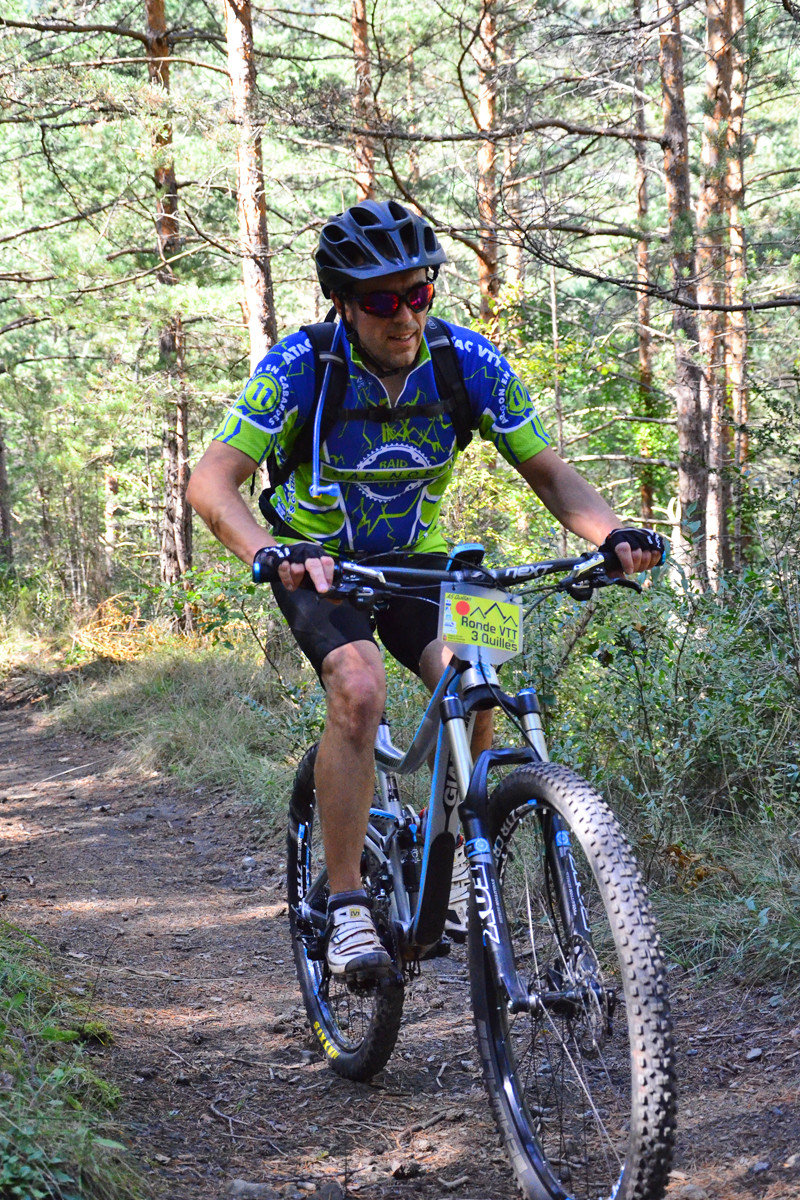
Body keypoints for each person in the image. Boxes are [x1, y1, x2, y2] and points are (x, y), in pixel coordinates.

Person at [186, 199, 664, 984]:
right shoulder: (300, 366)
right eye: (380, 300)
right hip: (322, 565)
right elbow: (211, 482)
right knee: (359, 687)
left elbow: (547, 469)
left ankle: (460, 858)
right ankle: (345, 908)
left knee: (483, 680)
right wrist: (272, 553)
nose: (403, 315)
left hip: (424, 562)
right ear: (341, 302)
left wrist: (609, 534)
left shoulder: (467, 362)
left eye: (418, 293)